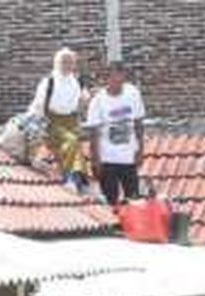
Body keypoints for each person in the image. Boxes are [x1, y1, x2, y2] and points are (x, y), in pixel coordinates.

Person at [29, 47, 91, 193]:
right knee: (71, 142)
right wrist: (35, 127)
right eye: (64, 62)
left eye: (70, 62)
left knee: (74, 147)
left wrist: (86, 102)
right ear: (57, 63)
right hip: (52, 122)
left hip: (71, 121)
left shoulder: (76, 82)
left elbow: (85, 99)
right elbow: (37, 105)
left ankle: (77, 178)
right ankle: (73, 178)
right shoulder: (49, 82)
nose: (67, 65)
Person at [86, 61, 146, 206]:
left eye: (120, 76)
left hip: (128, 158)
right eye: (113, 76)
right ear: (107, 78)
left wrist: (140, 150)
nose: (117, 80)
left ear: (124, 76)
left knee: (134, 200)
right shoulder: (98, 101)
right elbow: (93, 133)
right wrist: (96, 161)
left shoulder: (133, 93)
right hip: (108, 159)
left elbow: (138, 122)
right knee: (111, 201)